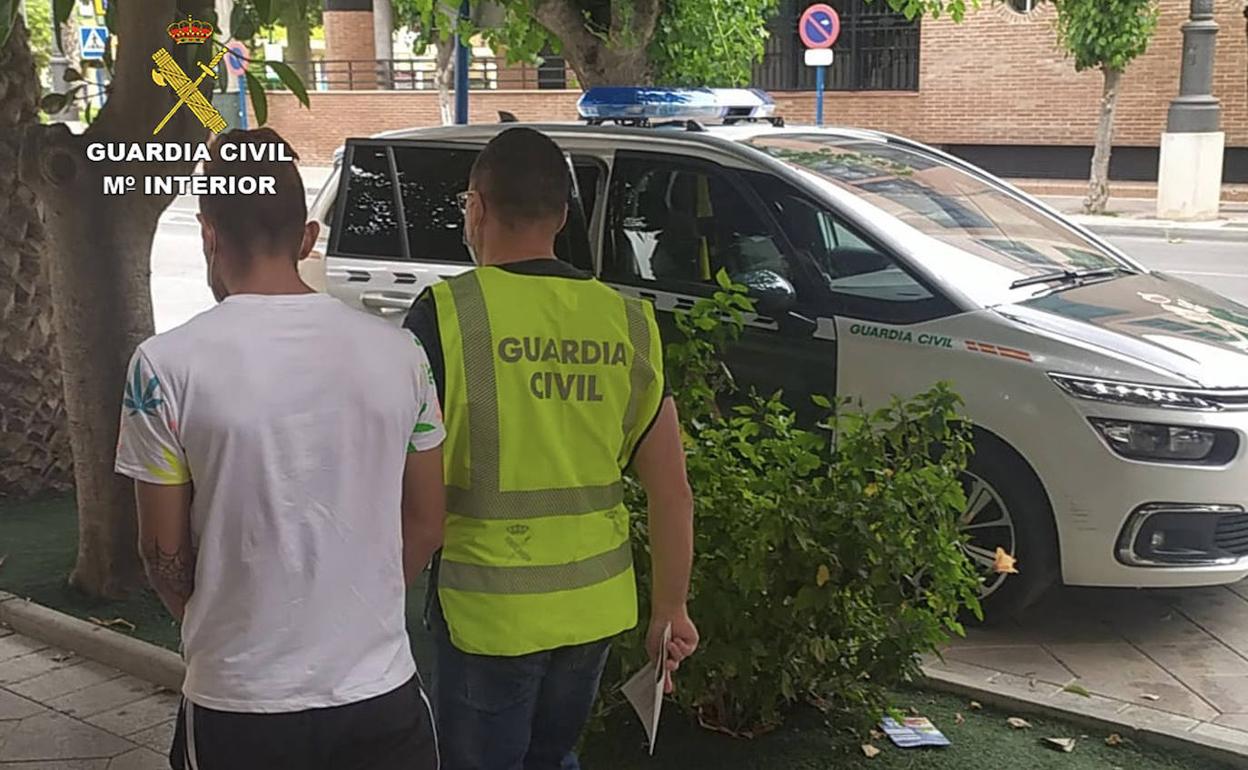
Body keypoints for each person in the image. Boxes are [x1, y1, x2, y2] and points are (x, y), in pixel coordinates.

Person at [114, 127, 445, 770]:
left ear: (208, 233)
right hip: (380, 694)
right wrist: (358, 601)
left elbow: (160, 551)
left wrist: (227, 615)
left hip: (239, 702)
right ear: (307, 237)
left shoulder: (163, 365)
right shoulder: (401, 354)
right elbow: (428, 523)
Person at [403, 127, 698, 770]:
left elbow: (405, 481)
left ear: (475, 209)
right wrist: (670, 608)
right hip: (593, 614)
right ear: (563, 215)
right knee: (553, 757)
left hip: (487, 616)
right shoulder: (628, 321)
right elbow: (672, 490)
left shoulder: (445, 315)